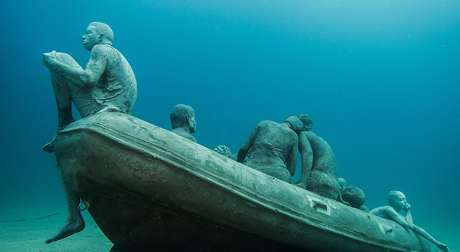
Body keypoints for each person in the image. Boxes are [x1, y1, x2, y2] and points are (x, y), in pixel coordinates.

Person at [42, 22, 137, 244]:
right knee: (58, 61)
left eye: (88, 33)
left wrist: (53, 64)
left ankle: (63, 123)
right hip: (114, 106)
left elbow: (87, 79)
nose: (83, 36)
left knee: (59, 57)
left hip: (103, 108)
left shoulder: (101, 49)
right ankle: (64, 123)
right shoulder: (114, 53)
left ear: (101, 36)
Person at [371, 191, 448, 251]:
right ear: (392, 202)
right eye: (401, 199)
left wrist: (436, 242)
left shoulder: (396, 214)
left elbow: (416, 228)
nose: (405, 202)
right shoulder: (388, 209)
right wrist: (408, 211)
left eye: (405, 199)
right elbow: (409, 226)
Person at [237, 116, 301, 182]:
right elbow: (291, 169)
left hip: (251, 165)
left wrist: (239, 165)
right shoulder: (294, 136)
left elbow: (243, 149)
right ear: (296, 130)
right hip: (277, 174)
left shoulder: (264, 123)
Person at [296, 114, 342, 200]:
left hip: (318, 180)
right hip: (334, 186)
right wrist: (340, 198)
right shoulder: (322, 141)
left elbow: (308, 155)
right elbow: (332, 168)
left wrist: (303, 182)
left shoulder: (303, 134)